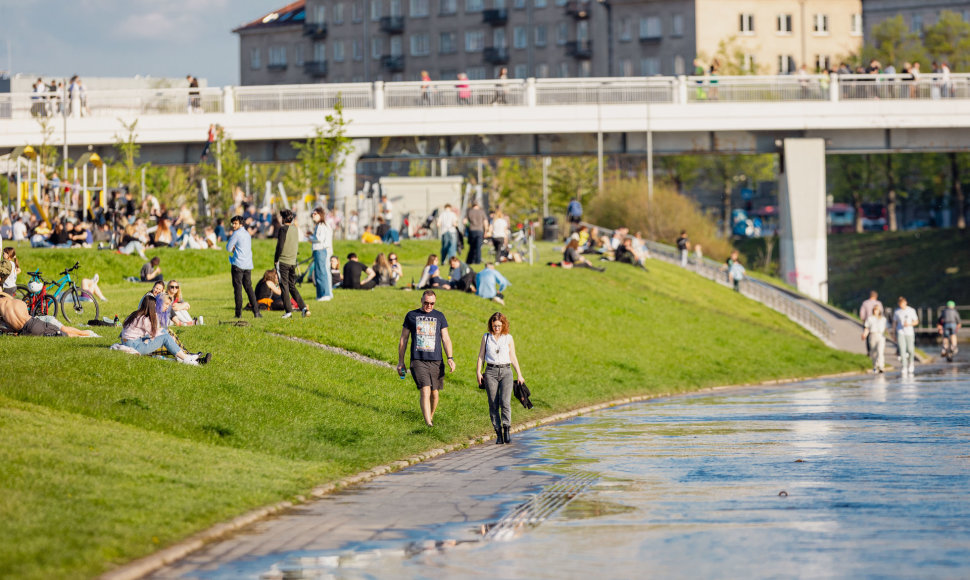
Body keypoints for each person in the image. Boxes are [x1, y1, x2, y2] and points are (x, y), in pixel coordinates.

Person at [397, 290, 456, 427]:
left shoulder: (439, 316)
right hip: (418, 360)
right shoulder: (411, 315)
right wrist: (401, 361)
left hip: (436, 360)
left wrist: (450, 357)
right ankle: (428, 423)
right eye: (426, 303)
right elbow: (403, 339)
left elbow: (446, 338)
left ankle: (430, 416)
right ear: (421, 300)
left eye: (432, 303)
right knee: (425, 389)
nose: (429, 306)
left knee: (435, 393)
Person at [476, 312, 525, 444]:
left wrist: (519, 374)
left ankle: (506, 429)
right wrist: (478, 372)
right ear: (491, 325)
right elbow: (481, 355)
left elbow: (513, 356)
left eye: (499, 325)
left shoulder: (508, 338)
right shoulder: (486, 337)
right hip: (490, 371)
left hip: (506, 371)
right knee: (493, 403)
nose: (497, 328)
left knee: (505, 402)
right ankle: (498, 433)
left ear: (503, 325)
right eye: (494, 325)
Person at [119, 295, 200, 365]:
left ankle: (181, 355)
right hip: (134, 346)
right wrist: (169, 337)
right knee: (165, 337)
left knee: (164, 332)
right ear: (151, 306)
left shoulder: (136, 314)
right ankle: (186, 359)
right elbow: (154, 333)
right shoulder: (145, 319)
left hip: (129, 342)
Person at [0, 293, 97, 337]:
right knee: (63, 332)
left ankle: (86, 334)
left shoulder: (2, 310)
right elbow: (27, 315)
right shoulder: (17, 302)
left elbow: (8, 328)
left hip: (25, 332)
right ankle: (87, 334)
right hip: (34, 324)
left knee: (62, 333)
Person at [274, 209, 309, 319]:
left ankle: (288, 311)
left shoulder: (283, 229)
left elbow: (280, 245)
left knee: (284, 286)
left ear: (283, 219)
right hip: (293, 261)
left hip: (283, 261)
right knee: (292, 286)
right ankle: (303, 307)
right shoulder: (295, 229)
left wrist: (276, 259)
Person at [227, 215, 260, 319]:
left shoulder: (236, 234)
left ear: (241, 224)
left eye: (235, 223)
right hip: (248, 264)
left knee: (238, 290)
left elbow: (228, 248)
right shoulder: (247, 234)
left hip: (238, 264)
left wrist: (233, 250)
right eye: (232, 223)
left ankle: (238, 314)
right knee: (249, 288)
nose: (233, 225)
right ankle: (256, 312)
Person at [307, 207, 334, 301]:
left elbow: (319, 238)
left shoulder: (322, 225)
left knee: (322, 272)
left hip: (321, 250)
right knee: (319, 272)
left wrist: (309, 238)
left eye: (315, 214)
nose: (313, 216)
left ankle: (325, 294)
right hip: (319, 250)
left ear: (320, 214)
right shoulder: (320, 225)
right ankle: (321, 294)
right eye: (312, 214)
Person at [894, 296, 919, 375]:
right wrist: (893, 332)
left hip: (909, 332)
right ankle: (904, 366)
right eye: (900, 304)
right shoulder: (897, 312)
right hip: (900, 332)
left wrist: (909, 324)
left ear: (905, 303)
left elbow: (916, 321)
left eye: (903, 304)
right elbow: (894, 322)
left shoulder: (911, 310)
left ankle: (911, 363)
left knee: (910, 350)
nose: (901, 305)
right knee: (902, 349)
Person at [862, 303, 888, 373]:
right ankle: (875, 366)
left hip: (880, 335)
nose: (875, 311)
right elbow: (867, 328)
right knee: (873, 352)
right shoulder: (870, 318)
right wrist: (864, 335)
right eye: (874, 310)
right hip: (872, 335)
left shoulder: (883, 319)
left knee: (880, 351)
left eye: (877, 310)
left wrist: (892, 336)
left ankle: (881, 366)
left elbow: (886, 328)